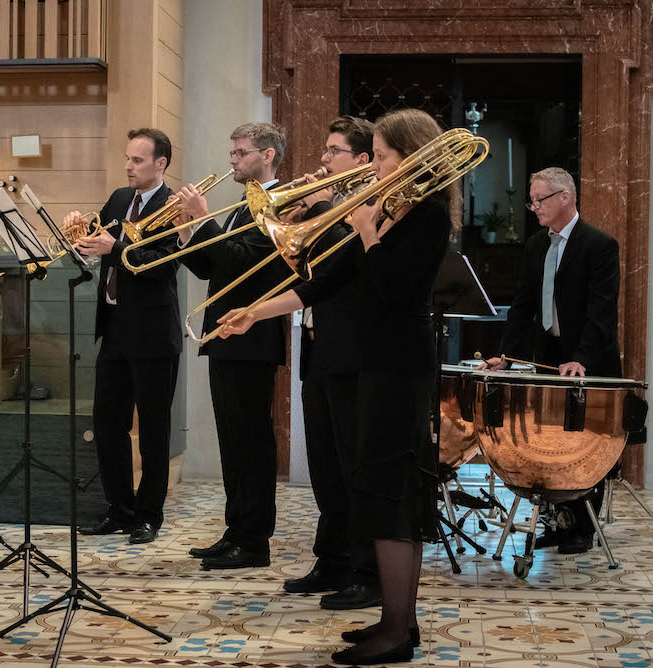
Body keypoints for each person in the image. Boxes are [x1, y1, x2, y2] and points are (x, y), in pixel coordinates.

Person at [220, 108, 455, 665]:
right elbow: (324, 286)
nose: (372, 165)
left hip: (400, 364)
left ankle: (398, 631)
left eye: (380, 155)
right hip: (371, 364)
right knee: (371, 487)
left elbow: (397, 292)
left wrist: (367, 230)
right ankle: (394, 620)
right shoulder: (381, 210)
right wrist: (253, 312)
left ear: (410, 155)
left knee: (392, 492)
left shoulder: (426, 215)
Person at [478, 166, 621, 554]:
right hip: (550, 354)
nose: (533, 207)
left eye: (539, 199)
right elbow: (523, 306)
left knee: (582, 442)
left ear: (565, 198)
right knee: (552, 440)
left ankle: (581, 529)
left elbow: (602, 311)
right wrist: (505, 355)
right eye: (532, 200)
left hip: (586, 358)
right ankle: (557, 522)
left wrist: (582, 360)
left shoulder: (599, 245)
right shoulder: (536, 245)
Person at [171, 122, 288, 570]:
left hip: (252, 337)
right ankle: (236, 530)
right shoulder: (245, 205)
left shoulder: (279, 204)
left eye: (241, 152)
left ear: (268, 155)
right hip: (226, 334)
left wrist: (203, 219)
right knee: (232, 441)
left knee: (251, 441)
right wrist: (187, 234)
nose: (233, 159)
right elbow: (212, 269)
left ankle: (254, 540)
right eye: (233, 151)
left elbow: (246, 262)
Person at [281, 117, 382, 610]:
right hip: (317, 345)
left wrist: (320, 209)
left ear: (361, 161)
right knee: (322, 460)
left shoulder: (371, 201)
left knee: (352, 464)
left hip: (353, 350)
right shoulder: (328, 205)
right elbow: (311, 269)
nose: (323, 160)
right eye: (324, 149)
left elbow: (346, 266)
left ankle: (365, 568)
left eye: (333, 151)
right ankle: (332, 557)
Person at [71, 128, 180, 545]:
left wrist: (113, 247)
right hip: (114, 329)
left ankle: (149, 515)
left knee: (154, 429)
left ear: (160, 164)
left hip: (153, 333)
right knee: (107, 424)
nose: (129, 166)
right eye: (127, 158)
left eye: (137, 160)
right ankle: (119, 508)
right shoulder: (119, 198)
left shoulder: (173, 206)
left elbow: (162, 265)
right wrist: (79, 236)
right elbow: (98, 242)